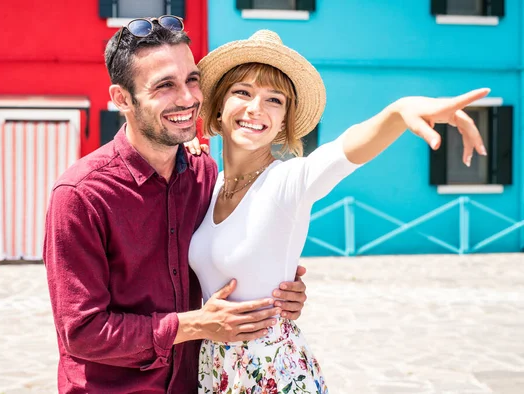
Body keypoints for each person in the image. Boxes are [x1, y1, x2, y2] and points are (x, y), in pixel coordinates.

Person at [188, 30, 488, 393]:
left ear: (284, 120)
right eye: (243, 92)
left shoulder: (290, 182)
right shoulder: (209, 184)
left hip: (273, 372)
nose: (256, 108)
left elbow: (346, 150)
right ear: (219, 105)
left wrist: (397, 112)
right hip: (214, 369)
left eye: (274, 99)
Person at [43, 17, 309, 394]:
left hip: (195, 385)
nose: (186, 98)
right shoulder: (80, 194)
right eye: (165, 85)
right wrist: (196, 325)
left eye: (191, 79)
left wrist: (280, 291)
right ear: (122, 99)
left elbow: (224, 258)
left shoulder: (205, 173)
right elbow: (82, 333)